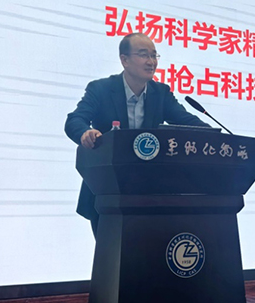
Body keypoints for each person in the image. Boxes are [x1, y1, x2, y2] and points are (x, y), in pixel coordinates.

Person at [65, 33, 209, 234]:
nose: (151, 62)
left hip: (149, 193)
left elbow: (187, 121)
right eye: (143, 55)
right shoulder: (101, 89)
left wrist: (215, 136)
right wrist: (85, 133)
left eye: (154, 55)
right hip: (107, 191)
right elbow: (75, 120)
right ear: (124, 60)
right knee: (111, 252)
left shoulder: (161, 93)